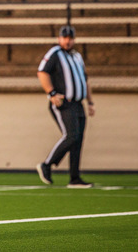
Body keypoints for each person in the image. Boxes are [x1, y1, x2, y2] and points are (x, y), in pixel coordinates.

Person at [36, 25, 96, 188]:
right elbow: (42, 72)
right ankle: (47, 165)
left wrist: (90, 102)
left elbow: (85, 80)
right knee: (71, 135)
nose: (67, 41)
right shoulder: (55, 53)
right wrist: (52, 93)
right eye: (65, 38)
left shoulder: (77, 56)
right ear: (59, 38)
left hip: (78, 104)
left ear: (74, 39)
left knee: (78, 140)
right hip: (63, 103)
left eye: (70, 38)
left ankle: (74, 178)